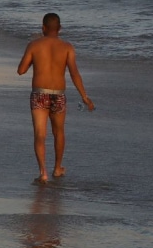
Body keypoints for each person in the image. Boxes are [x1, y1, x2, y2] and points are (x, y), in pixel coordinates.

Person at [17, 13, 95, 183]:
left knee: (40, 134)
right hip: (58, 95)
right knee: (59, 132)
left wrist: (35, 59)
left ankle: (43, 172)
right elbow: (75, 74)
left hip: (39, 93)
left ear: (43, 28)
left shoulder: (34, 45)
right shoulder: (67, 47)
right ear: (59, 28)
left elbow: (21, 70)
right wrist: (85, 97)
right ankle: (57, 168)